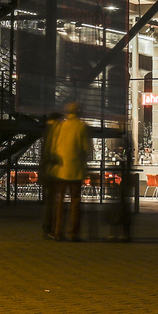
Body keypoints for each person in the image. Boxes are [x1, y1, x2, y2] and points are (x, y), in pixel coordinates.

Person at [49, 101, 92, 241]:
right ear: (78, 112)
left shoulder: (60, 126)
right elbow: (86, 149)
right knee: (75, 202)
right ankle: (73, 232)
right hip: (75, 170)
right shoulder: (81, 127)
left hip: (61, 170)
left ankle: (57, 231)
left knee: (60, 202)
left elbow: (54, 147)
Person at [107, 122, 135, 242]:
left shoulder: (118, 138)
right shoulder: (127, 138)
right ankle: (124, 233)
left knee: (117, 205)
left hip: (117, 178)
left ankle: (115, 232)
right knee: (123, 205)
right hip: (123, 177)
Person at [39, 110, 62, 239]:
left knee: (50, 201)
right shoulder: (53, 132)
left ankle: (48, 228)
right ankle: (49, 229)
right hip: (50, 171)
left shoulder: (47, 131)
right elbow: (49, 153)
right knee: (51, 202)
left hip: (46, 171)